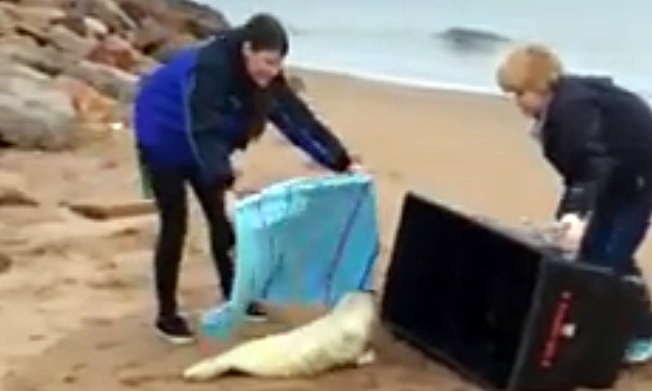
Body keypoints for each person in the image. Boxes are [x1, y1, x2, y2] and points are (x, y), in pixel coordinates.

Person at [133, 13, 360, 344]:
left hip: (204, 137)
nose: (270, 71)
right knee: (175, 223)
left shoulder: (266, 80)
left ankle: (235, 296)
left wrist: (341, 162)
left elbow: (298, 122)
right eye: (266, 61)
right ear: (247, 49)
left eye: (277, 64)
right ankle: (166, 315)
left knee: (223, 223)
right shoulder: (212, 68)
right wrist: (221, 181)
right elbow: (204, 129)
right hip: (163, 133)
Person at [497, 44, 652, 364]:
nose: (517, 103)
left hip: (639, 179)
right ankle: (608, 325)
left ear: (540, 87)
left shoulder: (571, 108)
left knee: (609, 259)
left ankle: (642, 335)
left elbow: (593, 164)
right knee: (594, 253)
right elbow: (581, 169)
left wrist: (576, 213)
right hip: (617, 178)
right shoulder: (559, 108)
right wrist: (569, 214)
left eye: (519, 93)